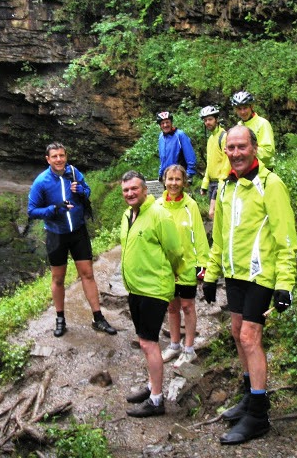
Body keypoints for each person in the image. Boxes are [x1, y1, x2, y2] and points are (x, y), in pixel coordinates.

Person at [202, 125, 297, 445]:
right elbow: (219, 237)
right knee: (236, 332)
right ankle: (248, 395)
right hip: (234, 273)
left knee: (249, 336)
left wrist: (284, 283)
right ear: (225, 151)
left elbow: (286, 237)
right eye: (231, 147)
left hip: (260, 274)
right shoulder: (226, 185)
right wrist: (213, 274)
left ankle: (258, 414)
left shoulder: (270, 184)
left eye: (242, 146)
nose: (236, 153)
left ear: (254, 148)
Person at [28, 142, 117, 338]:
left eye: (62, 155)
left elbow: (87, 191)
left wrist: (81, 191)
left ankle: (98, 317)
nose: (59, 159)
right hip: (56, 234)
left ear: (66, 156)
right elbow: (32, 210)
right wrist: (54, 209)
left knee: (87, 274)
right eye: (54, 156)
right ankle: (60, 319)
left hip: (78, 231)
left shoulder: (74, 173)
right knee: (58, 278)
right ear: (48, 159)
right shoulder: (41, 181)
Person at [120, 170, 185, 418]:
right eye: (126, 190)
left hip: (153, 289)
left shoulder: (159, 214)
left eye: (135, 189)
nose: (130, 193)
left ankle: (157, 400)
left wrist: (173, 274)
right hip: (136, 288)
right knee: (147, 342)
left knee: (148, 342)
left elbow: (175, 251)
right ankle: (151, 387)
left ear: (145, 189)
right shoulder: (128, 215)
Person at [156, 165, 209, 368]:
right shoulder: (158, 206)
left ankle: (189, 349)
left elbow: (200, 236)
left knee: (187, 306)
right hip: (166, 268)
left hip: (187, 265)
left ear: (184, 182)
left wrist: (202, 265)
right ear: (164, 180)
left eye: (178, 179)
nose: (174, 183)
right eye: (170, 179)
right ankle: (174, 345)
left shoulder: (191, 206)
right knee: (171, 307)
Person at [198, 105, 230, 220]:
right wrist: (204, 184)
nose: (207, 123)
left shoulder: (224, 136)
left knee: (213, 213)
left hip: (220, 182)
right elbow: (209, 163)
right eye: (205, 120)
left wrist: (222, 180)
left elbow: (227, 160)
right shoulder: (211, 139)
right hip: (212, 182)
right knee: (217, 216)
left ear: (216, 119)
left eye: (210, 119)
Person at [230, 91, 275, 170]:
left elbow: (268, 151)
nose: (242, 112)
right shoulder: (239, 126)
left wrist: (247, 152)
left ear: (252, 107)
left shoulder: (262, 123)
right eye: (239, 109)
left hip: (263, 169)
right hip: (245, 170)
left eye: (245, 108)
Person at [156, 111, 197, 183]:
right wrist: (160, 173)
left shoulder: (180, 135)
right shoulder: (161, 137)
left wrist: (189, 174)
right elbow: (163, 159)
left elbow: (190, 155)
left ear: (171, 123)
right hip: (167, 176)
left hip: (179, 175)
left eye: (167, 122)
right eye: (162, 123)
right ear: (160, 125)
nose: (165, 125)